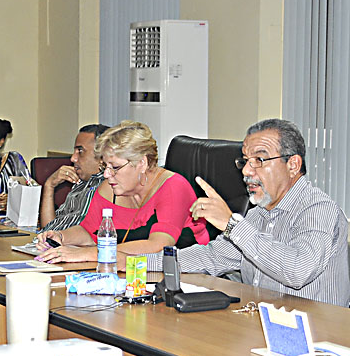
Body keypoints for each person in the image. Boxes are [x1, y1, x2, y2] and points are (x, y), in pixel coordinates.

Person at [148, 119, 348, 306]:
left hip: (317, 335)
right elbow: (211, 257)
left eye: (259, 159)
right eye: (245, 161)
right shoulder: (258, 214)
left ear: (293, 165)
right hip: (261, 324)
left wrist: (232, 225)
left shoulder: (320, 210)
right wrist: (136, 262)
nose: (246, 171)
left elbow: (298, 270)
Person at [36, 121, 209, 263]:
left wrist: (91, 254)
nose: (107, 174)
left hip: (186, 276)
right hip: (132, 272)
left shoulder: (173, 187)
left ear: (141, 163)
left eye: (116, 167)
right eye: (106, 166)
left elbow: (158, 246)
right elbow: (88, 231)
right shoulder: (110, 188)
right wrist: (61, 237)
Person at [39, 124, 110, 232]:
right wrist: (49, 185)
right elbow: (49, 229)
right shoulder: (80, 183)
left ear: (102, 157)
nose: (73, 158)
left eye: (80, 151)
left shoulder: (107, 186)